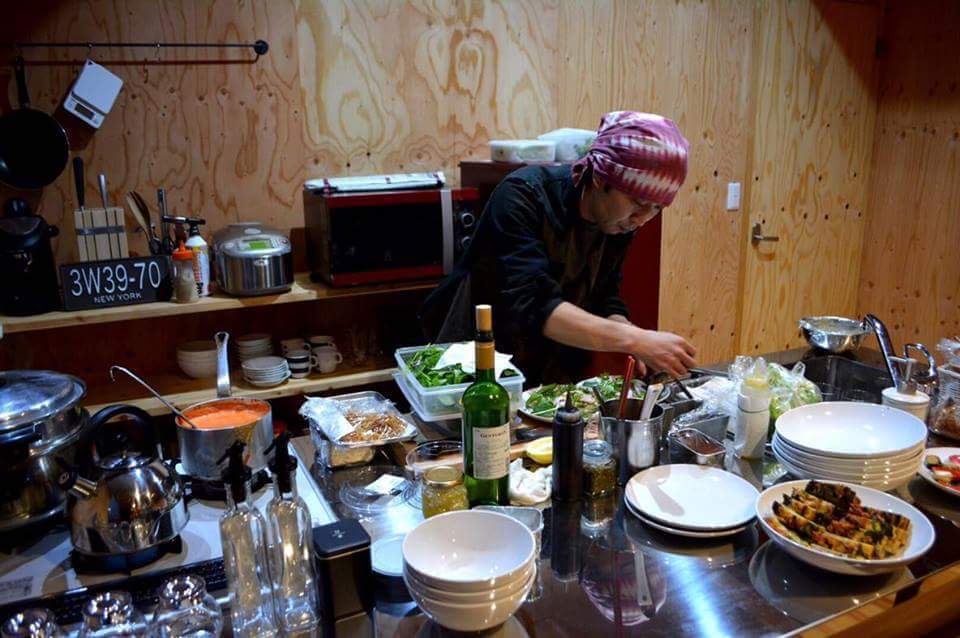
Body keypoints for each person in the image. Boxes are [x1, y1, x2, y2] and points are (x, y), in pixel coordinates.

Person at [420, 111, 697, 385]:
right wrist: (637, 340)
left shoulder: (619, 222)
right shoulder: (522, 196)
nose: (644, 218)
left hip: (546, 364)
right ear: (601, 178)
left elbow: (604, 296)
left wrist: (640, 342)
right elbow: (535, 306)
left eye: (657, 207)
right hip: (476, 361)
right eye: (638, 202)